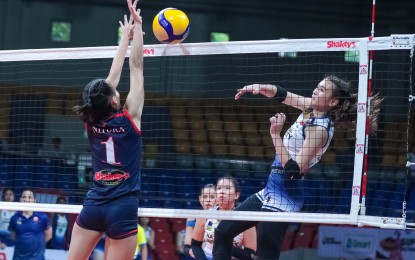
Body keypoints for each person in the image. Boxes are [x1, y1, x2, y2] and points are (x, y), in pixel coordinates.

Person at [213, 75, 381, 259]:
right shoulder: (311, 108)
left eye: (322, 90)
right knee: (223, 232)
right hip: (271, 188)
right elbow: (282, 94)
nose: (316, 91)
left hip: (286, 194)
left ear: (333, 101)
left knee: (265, 256)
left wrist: (275, 134)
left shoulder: (319, 131)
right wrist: (258, 87)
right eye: (318, 86)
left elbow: (292, 171)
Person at [67, 0, 145, 259]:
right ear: (113, 101)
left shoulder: (90, 119)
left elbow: (111, 79)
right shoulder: (130, 117)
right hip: (123, 207)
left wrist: (125, 38)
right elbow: (136, 67)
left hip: (94, 203)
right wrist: (138, 31)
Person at [192, 177, 256, 260]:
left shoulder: (245, 219)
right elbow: (195, 245)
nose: (222, 191)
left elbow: (251, 255)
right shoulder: (205, 215)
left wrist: (224, 245)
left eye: (227, 188)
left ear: (236, 195)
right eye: (219, 188)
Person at [8, 190, 52, 260]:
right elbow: (13, 236)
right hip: (19, 257)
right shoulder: (14, 218)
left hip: (37, 258)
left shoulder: (42, 216)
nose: (26, 199)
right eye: (24, 197)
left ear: (34, 200)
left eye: (29, 197)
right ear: (20, 200)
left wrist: (37, 244)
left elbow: (49, 235)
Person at [181, 184, 216, 259]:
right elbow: (186, 247)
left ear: (218, 199)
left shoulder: (225, 218)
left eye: (212, 197)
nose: (208, 200)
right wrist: (191, 251)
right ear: (200, 199)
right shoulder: (192, 218)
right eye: (205, 197)